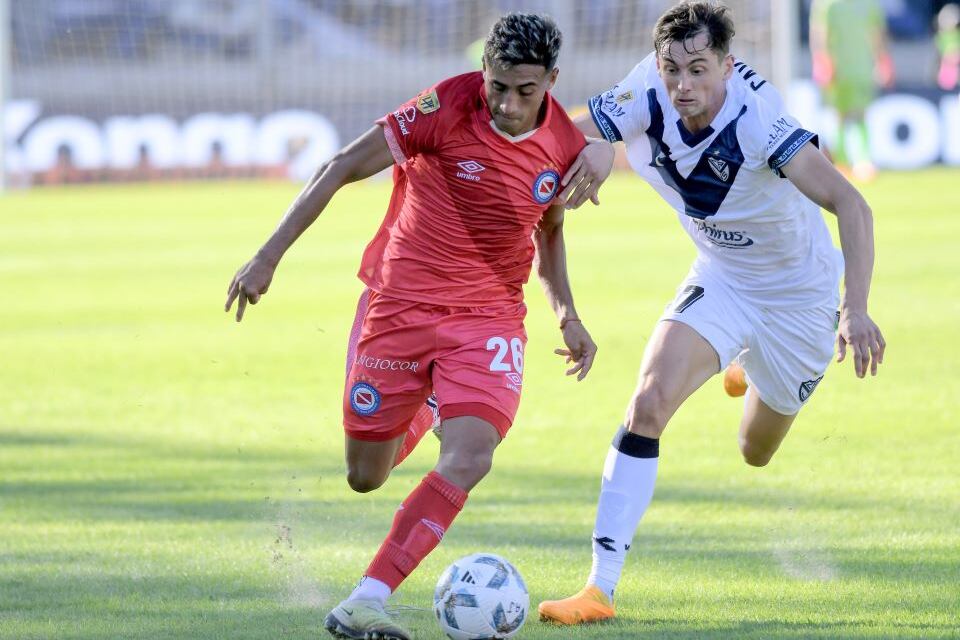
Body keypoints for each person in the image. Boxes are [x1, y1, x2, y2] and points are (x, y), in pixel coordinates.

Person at [224, 13, 597, 640]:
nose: (507, 104)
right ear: (484, 70)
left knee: (470, 456)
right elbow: (341, 165)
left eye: (524, 91)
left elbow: (550, 231)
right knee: (364, 476)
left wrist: (568, 314)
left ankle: (367, 597)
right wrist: (267, 256)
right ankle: (429, 400)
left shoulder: (562, 143)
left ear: (552, 81)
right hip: (400, 305)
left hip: (488, 317)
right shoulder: (444, 107)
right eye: (498, 86)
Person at [539, 1, 885, 625]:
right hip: (723, 278)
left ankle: (746, 365)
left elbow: (851, 205)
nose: (682, 85)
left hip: (800, 299)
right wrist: (589, 144)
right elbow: (566, 129)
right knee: (647, 404)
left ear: (726, 66)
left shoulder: (759, 119)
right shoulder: (648, 86)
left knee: (755, 451)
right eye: (672, 69)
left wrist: (853, 308)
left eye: (698, 70)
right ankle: (599, 589)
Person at [809, 0, 893, 181]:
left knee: (861, 114)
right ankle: (842, 162)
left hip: (862, 69)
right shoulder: (827, 4)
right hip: (837, 69)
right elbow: (820, 34)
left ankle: (863, 162)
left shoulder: (870, 4)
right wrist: (822, 62)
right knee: (839, 116)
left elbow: (877, 33)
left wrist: (882, 61)